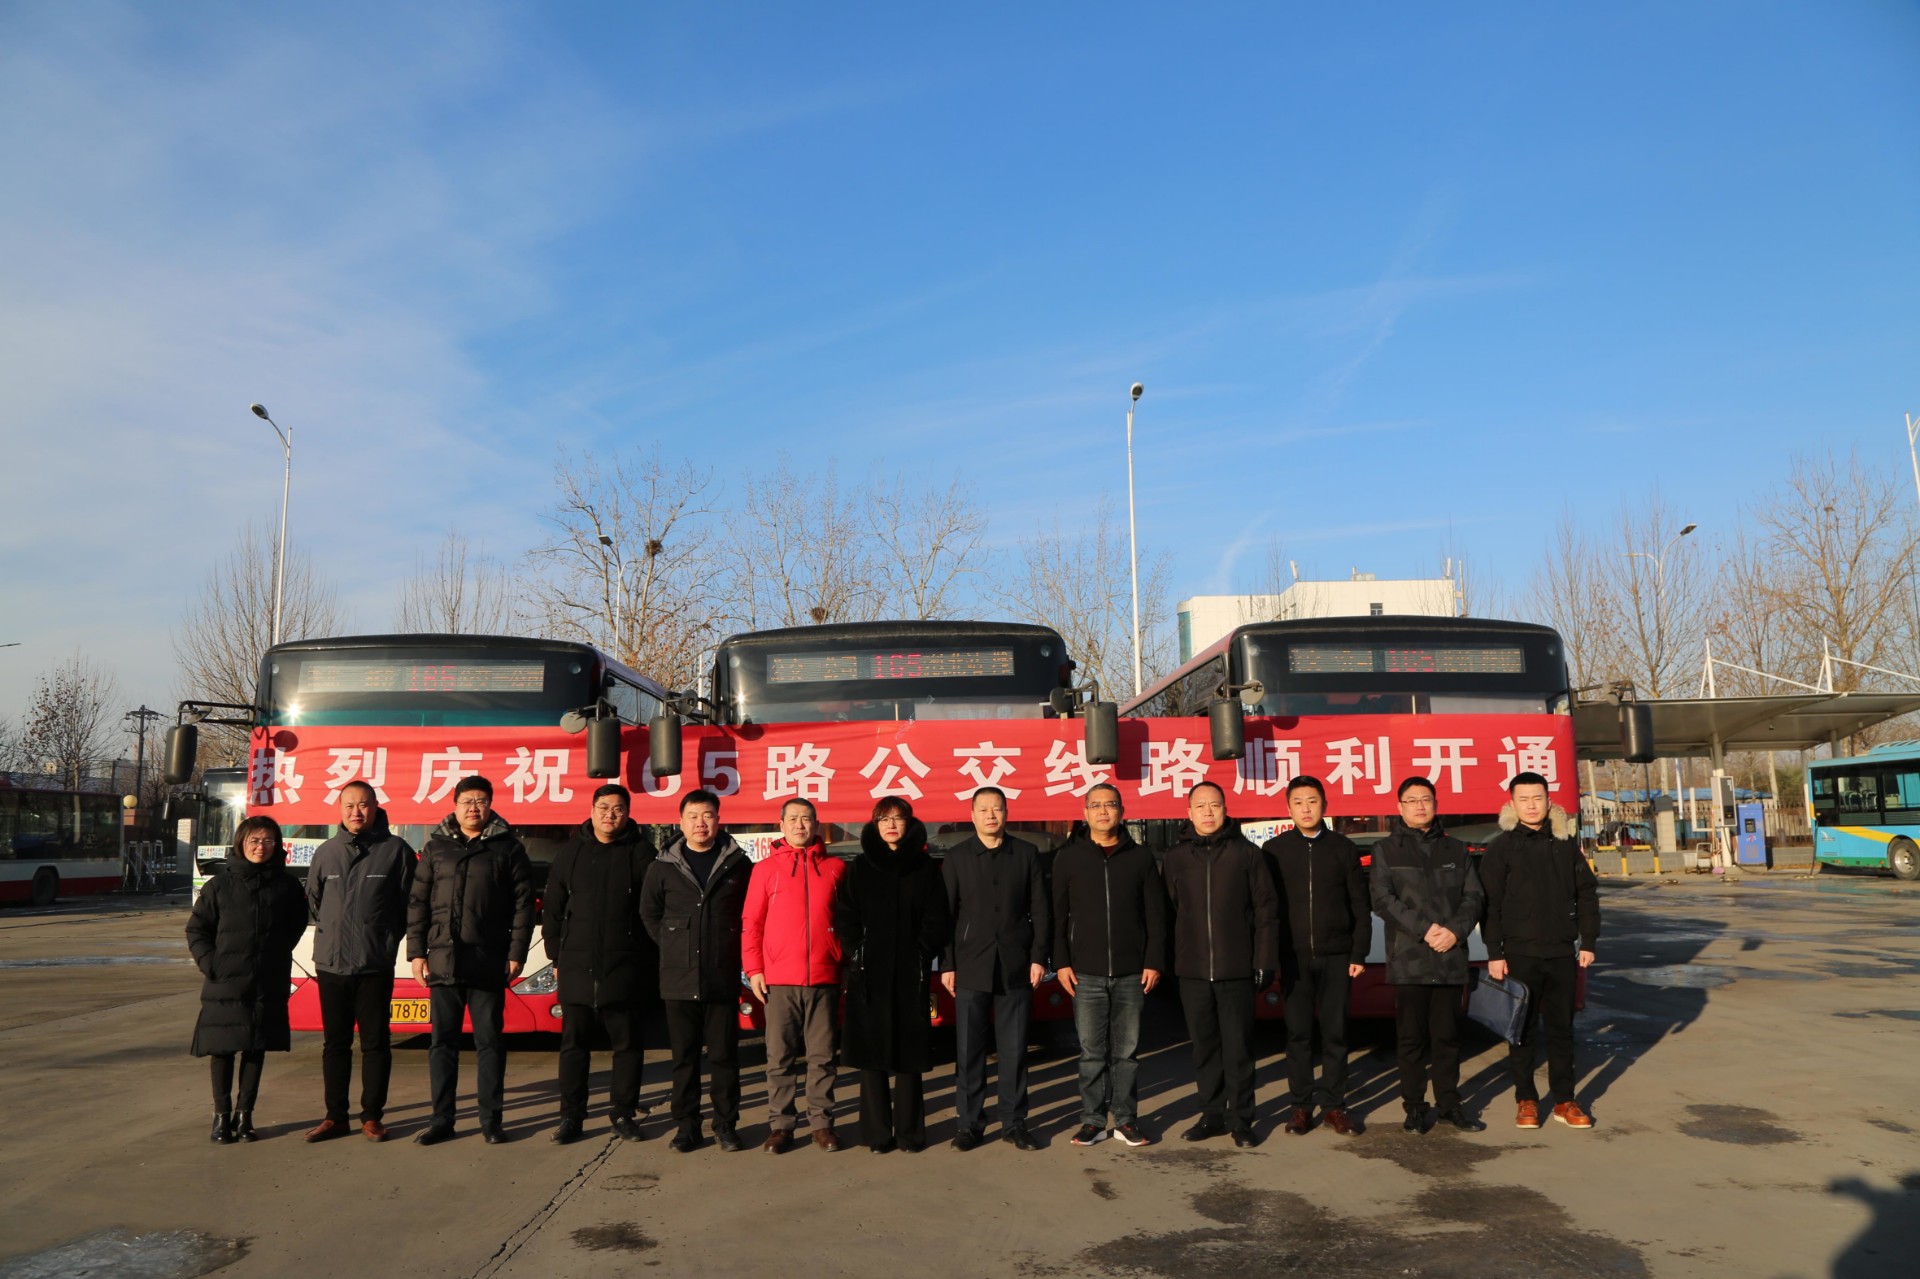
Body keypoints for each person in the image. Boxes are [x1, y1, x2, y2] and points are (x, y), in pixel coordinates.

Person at [407, 775, 535, 1145]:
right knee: (442, 1044)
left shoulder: (508, 849)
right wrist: (416, 952)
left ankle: (491, 1121)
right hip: (443, 960)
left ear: (490, 805)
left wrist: (516, 954)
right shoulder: (436, 848)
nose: (473, 808)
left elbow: (523, 905)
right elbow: (418, 902)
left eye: (480, 801)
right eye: (467, 801)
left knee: (489, 1043)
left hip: (488, 960)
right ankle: (441, 1121)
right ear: (455, 805)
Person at [1162, 781, 1280, 1147]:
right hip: (1193, 970)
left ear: (1225, 809)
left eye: (1214, 805)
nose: (1208, 812)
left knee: (1239, 1048)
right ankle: (1212, 1115)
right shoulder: (1176, 858)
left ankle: (1241, 1119)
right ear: (1189, 813)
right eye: (1200, 806)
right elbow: (1169, 912)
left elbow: (1266, 910)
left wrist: (1264, 960)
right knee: (1205, 1048)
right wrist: (1170, 963)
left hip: (1237, 968)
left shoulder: (1247, 854)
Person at [1481, 771, 1600, 1131]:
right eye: (1524, 799)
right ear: (1512, 804)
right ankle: (1526, 1100)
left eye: (1537, 798)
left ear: (1549, 801)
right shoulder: (1501, 847)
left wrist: (1588, 941)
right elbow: (1490, 904)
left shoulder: (1564, 843)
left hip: (1561, 951)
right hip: (1519, 953)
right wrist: (1495, 952)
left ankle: (1565, 1099)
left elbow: (1586, 893)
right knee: (1522, 1030)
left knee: (1562, 1029)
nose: (1531, 805)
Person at [1051, 782, 1167, 1148]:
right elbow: (1057, 916)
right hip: (1085, 973)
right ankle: (1092, 1121)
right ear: (1085, 813)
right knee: (1091, 1054)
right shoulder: (1068, 858)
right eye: (1096, 805)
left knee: (1126, 1054)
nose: (1103, 811)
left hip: (1132, 972)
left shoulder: (1141, 857)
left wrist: (1153, 960)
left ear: (1122, 811)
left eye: (1110, 804)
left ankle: (1127, 1120)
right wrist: (1061, 962)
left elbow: (1156, 915)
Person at [543, 783, 659, 1144]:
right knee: (573, 1048)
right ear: (592, 811)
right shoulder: (571, 852)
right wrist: (555, 955)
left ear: (628, 814)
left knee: (628, 1046)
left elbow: (653, 908)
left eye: (618, 809)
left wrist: (646, 957)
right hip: (576, 965)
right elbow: (553, 907)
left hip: (625, 966)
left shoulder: (642, 853)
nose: (611, 815)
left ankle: (623, 1113)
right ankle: (571, 1116)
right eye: (604, 808)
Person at [1370, 775, 1487, 1134]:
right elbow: (1382, 899)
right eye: (1412, 800)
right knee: (1411, 1040)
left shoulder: (1455, 850)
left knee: (1448, 1037)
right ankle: (1415, 1107)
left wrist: (1454, 931)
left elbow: (1474, 897)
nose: (1419, 806)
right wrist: (1425, 929)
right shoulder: (1386, 849)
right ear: (1399, 807)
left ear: (1436, 804)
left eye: (1426, 799)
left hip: (1450, 955)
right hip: (1409, 957)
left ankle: (1449, 1105)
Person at [833, 797, 951, 1153]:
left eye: (898, 818)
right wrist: (858, 950)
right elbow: (846, 915)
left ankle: (911, 1134)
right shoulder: (861, 867)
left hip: (911, 972)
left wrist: (922, 951)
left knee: (909, 1056)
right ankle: (877, 1135)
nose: (891, 825)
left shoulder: (924, 867)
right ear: (875, 824)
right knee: (871, 1058)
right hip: (870, 971)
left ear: (909, 823)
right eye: (884, 819)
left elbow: (937, 917)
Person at [641, 788, 755, 1153]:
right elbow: (649, 913)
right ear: (681, 822)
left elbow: (751, 913)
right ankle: (687, 1126)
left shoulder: (738, 865)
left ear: (718, 820)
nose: (700, 823)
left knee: (724, 1057)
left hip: (721, 974)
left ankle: (725, 1125)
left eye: (707, 815)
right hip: (678, 977)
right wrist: (673, 944)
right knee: (684, 1059)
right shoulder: (662, 867)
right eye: (693, 816)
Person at [303, 781, 417, 1142]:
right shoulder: (326, 852)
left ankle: (372, 1116)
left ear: (376, 807)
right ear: (339, 809)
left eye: (364, 805)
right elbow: (314, 901)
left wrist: (384, 939)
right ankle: (335, 1116)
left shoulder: (396, 851)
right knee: (335, 1044)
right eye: (349, 805)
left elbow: (410, 906)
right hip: (331, 964)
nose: (357, 812)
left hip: (374, 964)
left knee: (375, 1043)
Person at [186, 815, 309, 1144]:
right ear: (241, 843)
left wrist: (276, 952)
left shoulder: (287, 886)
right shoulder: (219, 886)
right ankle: (220, 1116)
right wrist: (212, 964)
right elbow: (197, 929)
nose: (261, 847)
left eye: (268, 840)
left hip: (267, 979)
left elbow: (297, 923)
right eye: (254, 840)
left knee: (256, 1048)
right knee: (222, 1048)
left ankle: (245, 1116)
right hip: (225, 980)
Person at [941, 786, 1050, 1152]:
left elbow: (1041, 909)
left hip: (1016, 964)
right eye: (984, 809)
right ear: (972, 815)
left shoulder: (1026, 854)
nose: (991, 815)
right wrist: (948, 964)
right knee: (969, 1050)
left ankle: (1014, 1122)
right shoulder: (957, 857)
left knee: (1015, 1049)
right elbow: (947, 917)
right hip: (971, 964)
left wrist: (1039, 957)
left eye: (997, 809)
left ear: (1007, 813)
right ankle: (969, 1124)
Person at [1262, 775, 1369, 1137]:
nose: (1306, 808)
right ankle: (1301, 1107)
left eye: (1312, 801)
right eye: (1298, 802)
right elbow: (1267, 908)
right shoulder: (1274, 851)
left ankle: (1335, 1106)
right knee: (1298, 1035)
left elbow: (1359, 903)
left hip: (1337, 954)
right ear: (1288, 808)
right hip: (1293, 958)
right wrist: (1270, 954)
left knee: (1336, 1033)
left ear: (1325, 804)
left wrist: (1359, 951)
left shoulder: (1343, 848)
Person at [743, 797, 847, 1152]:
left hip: (824, 975)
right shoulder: (765, 869)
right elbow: (751, 923)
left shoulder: (836, 868)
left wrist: (844, 964)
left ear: (816, 824)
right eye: (793, 819)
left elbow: (847, 922)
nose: (800, 825)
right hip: (779, 978)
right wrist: (754, 969)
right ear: (782, 825)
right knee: (780, 1057)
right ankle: (782, 1125)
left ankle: (822, 1124)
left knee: (823, 1056)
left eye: (806, 819)